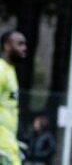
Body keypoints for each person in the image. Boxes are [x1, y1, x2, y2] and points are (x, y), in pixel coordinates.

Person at [0, 30, 27, 165]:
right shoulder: (1, 70)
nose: (24, 48)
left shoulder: (10, 70)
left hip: (9, 144)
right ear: (7, 46)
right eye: (20, 44)